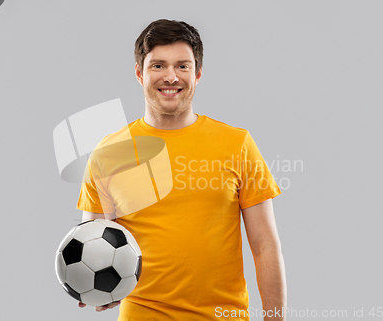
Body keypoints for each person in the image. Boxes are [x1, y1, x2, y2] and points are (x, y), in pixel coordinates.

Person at [76, 19, 287, 320]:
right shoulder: (108, 153)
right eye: (158, 66)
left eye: (183, 66)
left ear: (198, 73)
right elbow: (92, 243)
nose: (171, 77)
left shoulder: (237, 144)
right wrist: (94, 286)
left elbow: (265, 246)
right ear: (139, 73)